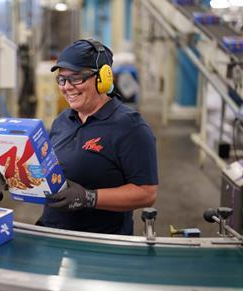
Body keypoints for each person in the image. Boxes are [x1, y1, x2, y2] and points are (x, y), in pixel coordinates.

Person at [37, 39, 158, 235]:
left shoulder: (130, 127)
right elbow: (51, 169)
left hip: (100, 243)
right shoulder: (62, 120)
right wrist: (22, 176)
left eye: (76, 78)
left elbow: (146, 193)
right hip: (52, 233)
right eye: (62, 79)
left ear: (103, 79)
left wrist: (89, 198)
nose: (67, 87)